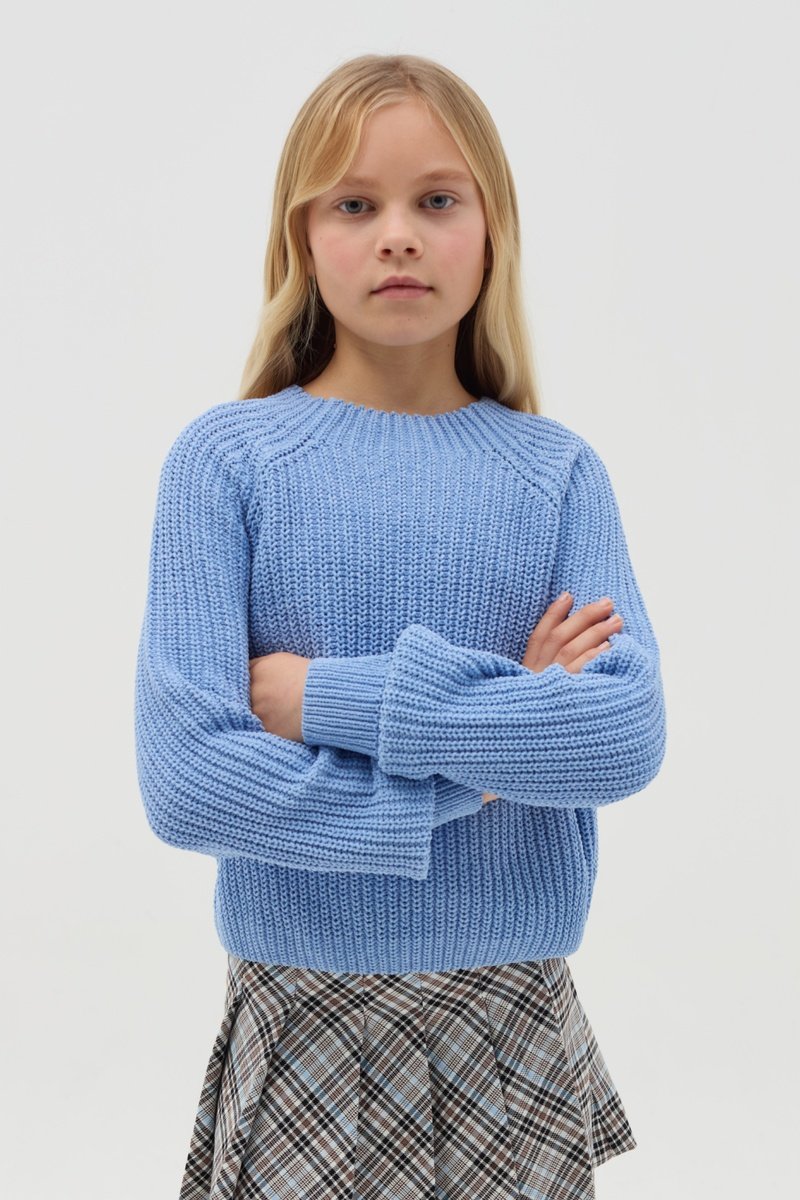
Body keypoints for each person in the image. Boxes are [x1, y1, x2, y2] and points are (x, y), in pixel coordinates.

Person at [134, 52, 667, 1200]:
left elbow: (618, 736)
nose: (396, 237)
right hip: (302, 1020)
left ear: (491, 228)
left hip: (510, 1019)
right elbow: (188, 783)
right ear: (299, 235)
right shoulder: (226, 463)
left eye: (435, 200)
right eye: (352, 204)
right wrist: (489, 755)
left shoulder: (556, 474)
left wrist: (322, 698)